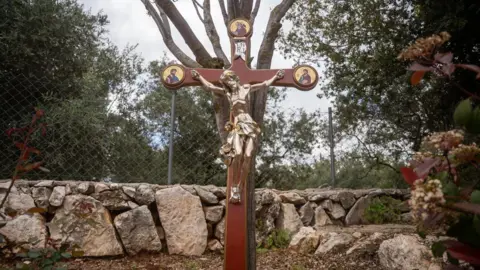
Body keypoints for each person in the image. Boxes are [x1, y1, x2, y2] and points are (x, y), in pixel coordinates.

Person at [191, 68, 284, 204]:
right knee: (238, 154)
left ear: (234, 78)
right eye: (226, 82)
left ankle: (240, 186)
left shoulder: (246, 88)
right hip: (238, 126)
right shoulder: (228, 94)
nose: (229, 83)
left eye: (229, 80)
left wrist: (275, 77)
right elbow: (210, 86)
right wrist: (199, 77)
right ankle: (234, 186)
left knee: (247, 156)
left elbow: (264, 84)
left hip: (250, 125)